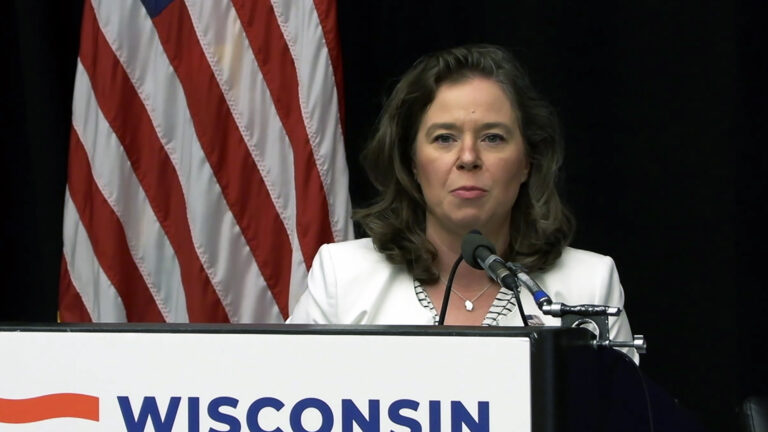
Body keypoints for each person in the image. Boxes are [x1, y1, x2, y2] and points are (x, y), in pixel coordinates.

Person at [288, 44, 638, 364]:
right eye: (444, 138)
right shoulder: (342, 277)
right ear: (412, 161)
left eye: (492, 138)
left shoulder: (590, 283)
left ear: (527, 161)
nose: (468, 157)